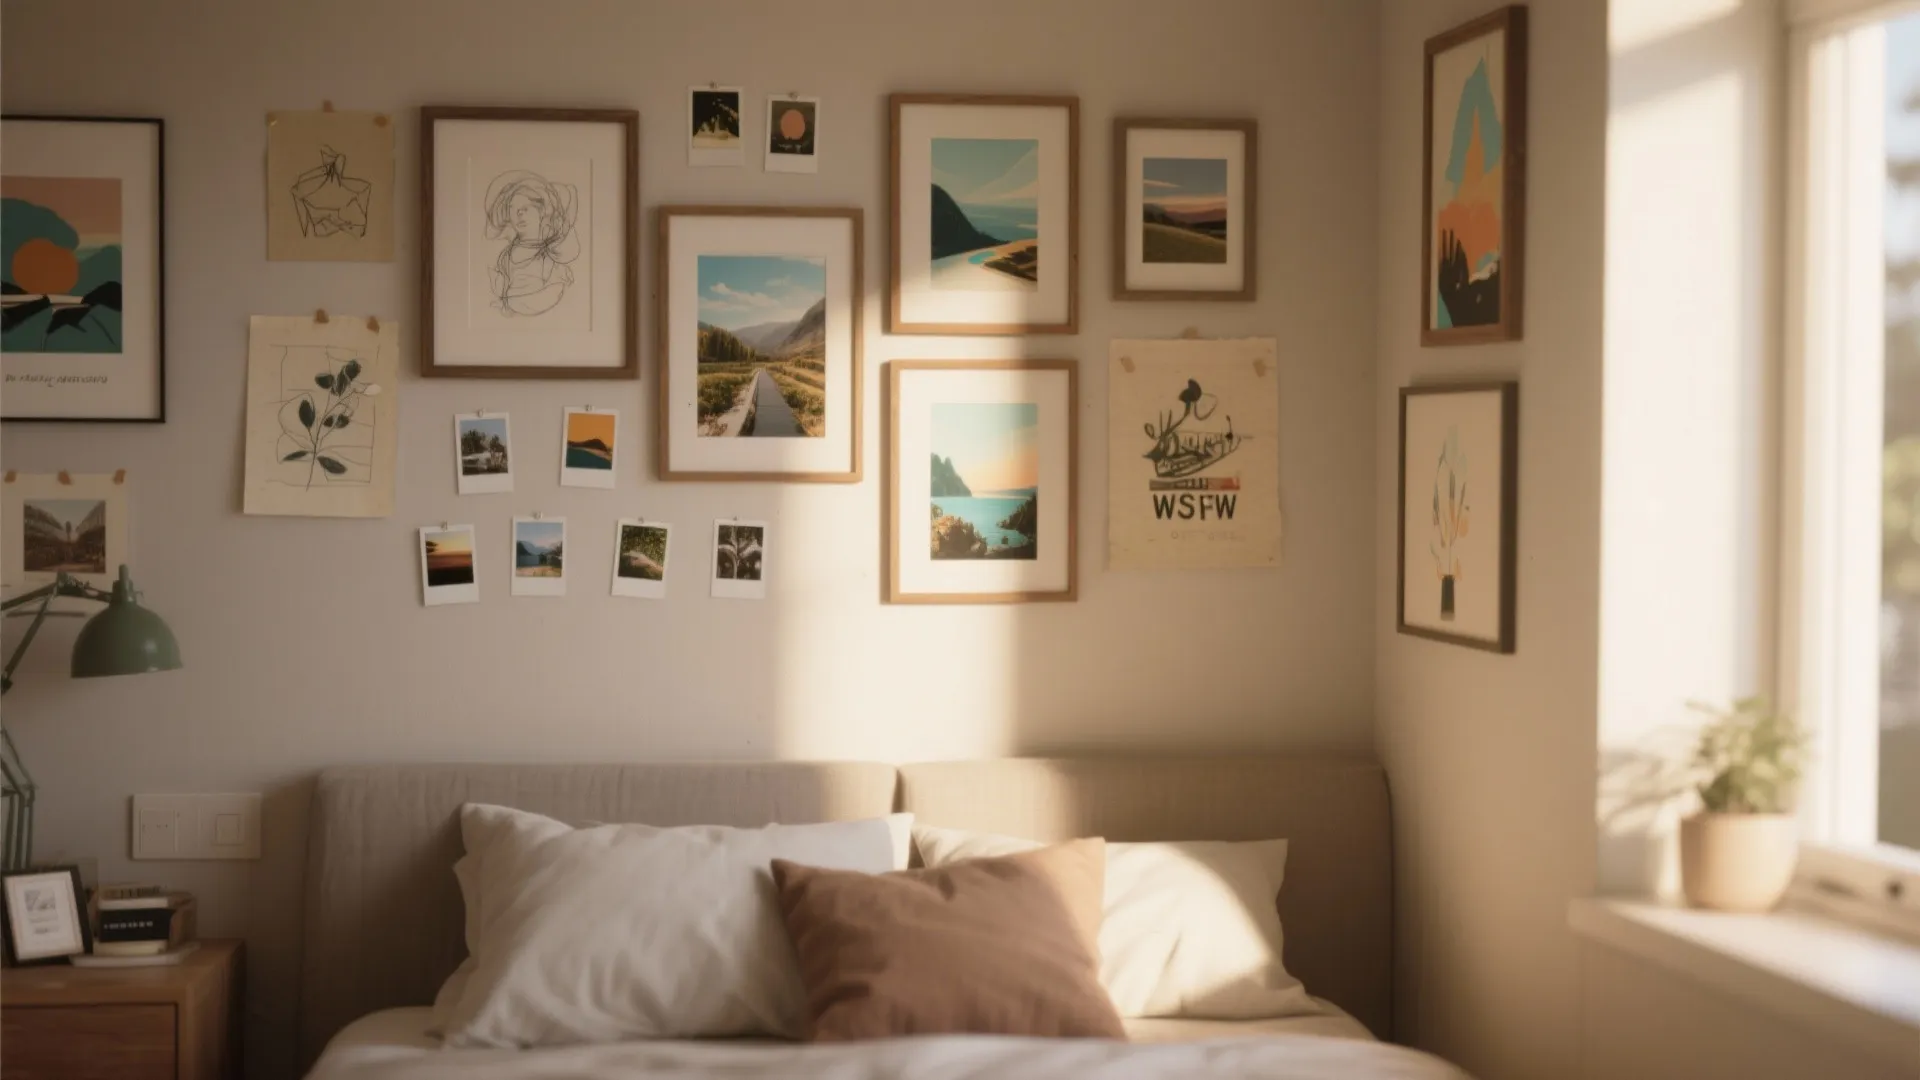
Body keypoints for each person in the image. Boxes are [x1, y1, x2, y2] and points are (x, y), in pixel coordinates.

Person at [482, 171, 580, 317]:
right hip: (514, 303)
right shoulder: (506, 255)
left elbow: (559, 277)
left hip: (545, 302)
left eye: (526, 208)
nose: (519, 214)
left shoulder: (550, 251)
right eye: (512, 209)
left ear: (542, 212)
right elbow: (504, 284)